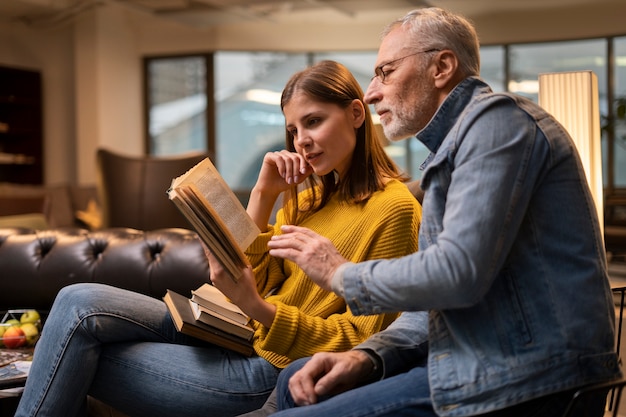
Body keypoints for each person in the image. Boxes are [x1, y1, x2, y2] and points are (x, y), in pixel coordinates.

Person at [265, 7, 622, 417]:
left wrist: (338, 273)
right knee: (294, 382)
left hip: (533, 379)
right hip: (480, 362)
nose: (370, 92)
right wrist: (369, 356)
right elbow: (433, 304)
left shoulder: (499, 122)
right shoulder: (450, 153)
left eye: (385, 71)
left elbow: (458, 273)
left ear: (442, 67)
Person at [14, 60, 422, 417]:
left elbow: (361, 342)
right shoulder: (309, 198)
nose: (301, 140)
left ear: (355, 114)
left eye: (313, 121)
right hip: (232, 331)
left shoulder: (395, 210)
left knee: (70, 357)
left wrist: (257, 308)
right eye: (293, 129)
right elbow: (258, 280)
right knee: (75, 300)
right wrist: (263, 195)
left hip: (268, 367)